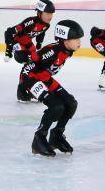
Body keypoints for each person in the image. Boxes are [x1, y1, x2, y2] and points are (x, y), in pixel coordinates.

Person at [19, 20, 84, 157]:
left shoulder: (67, 50)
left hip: (45, 77)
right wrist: (23, 55)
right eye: (76, 39)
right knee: (56, 106)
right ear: (65, 40)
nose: (79, 42)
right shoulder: (52, 51)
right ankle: (39, 138)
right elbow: (34, 58)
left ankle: (56, 136)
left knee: (71, 103)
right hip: (31, 78)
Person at [4, 0, 55, 103]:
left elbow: (41, 32)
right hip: (18, 44)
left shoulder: (47, 25)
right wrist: (9, 50)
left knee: (35, 64)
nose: (50, 16)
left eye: (52, 13)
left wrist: (39, 45)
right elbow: (9, 32)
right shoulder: (30, 22)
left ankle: (29, 89)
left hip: (28, 44)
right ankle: (22, 91)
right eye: (48, 13)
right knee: (28, 62)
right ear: (39, 13)